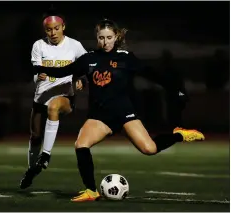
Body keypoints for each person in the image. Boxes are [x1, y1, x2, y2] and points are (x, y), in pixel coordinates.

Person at [35, 19, 205, 202]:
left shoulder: (126, 58)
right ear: (97, 38)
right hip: (100, 117)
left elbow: (152, 74)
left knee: (150, 149)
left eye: (109, 37)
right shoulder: (89, 58)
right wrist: (41, 69)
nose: (105, 42)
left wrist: (175, 89)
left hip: (124, 114)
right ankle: (91, 191)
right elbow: (66, 70)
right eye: (101, 38)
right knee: (81, 145)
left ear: (116, 37)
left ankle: (179, 135)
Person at [19, 7, 87, 189]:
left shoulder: (75, 46)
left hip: (64, 96)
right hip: (41, 98)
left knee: (54, 107)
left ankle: (46, 155)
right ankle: (32, 169)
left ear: (63, 27)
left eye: (56, 28)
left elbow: (86, 66)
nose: (53, 32)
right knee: (35, 137)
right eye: (49, 29)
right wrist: (37, 76)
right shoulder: (38, 46)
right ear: (45, 30)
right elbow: (36, 73)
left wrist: (81, 79)